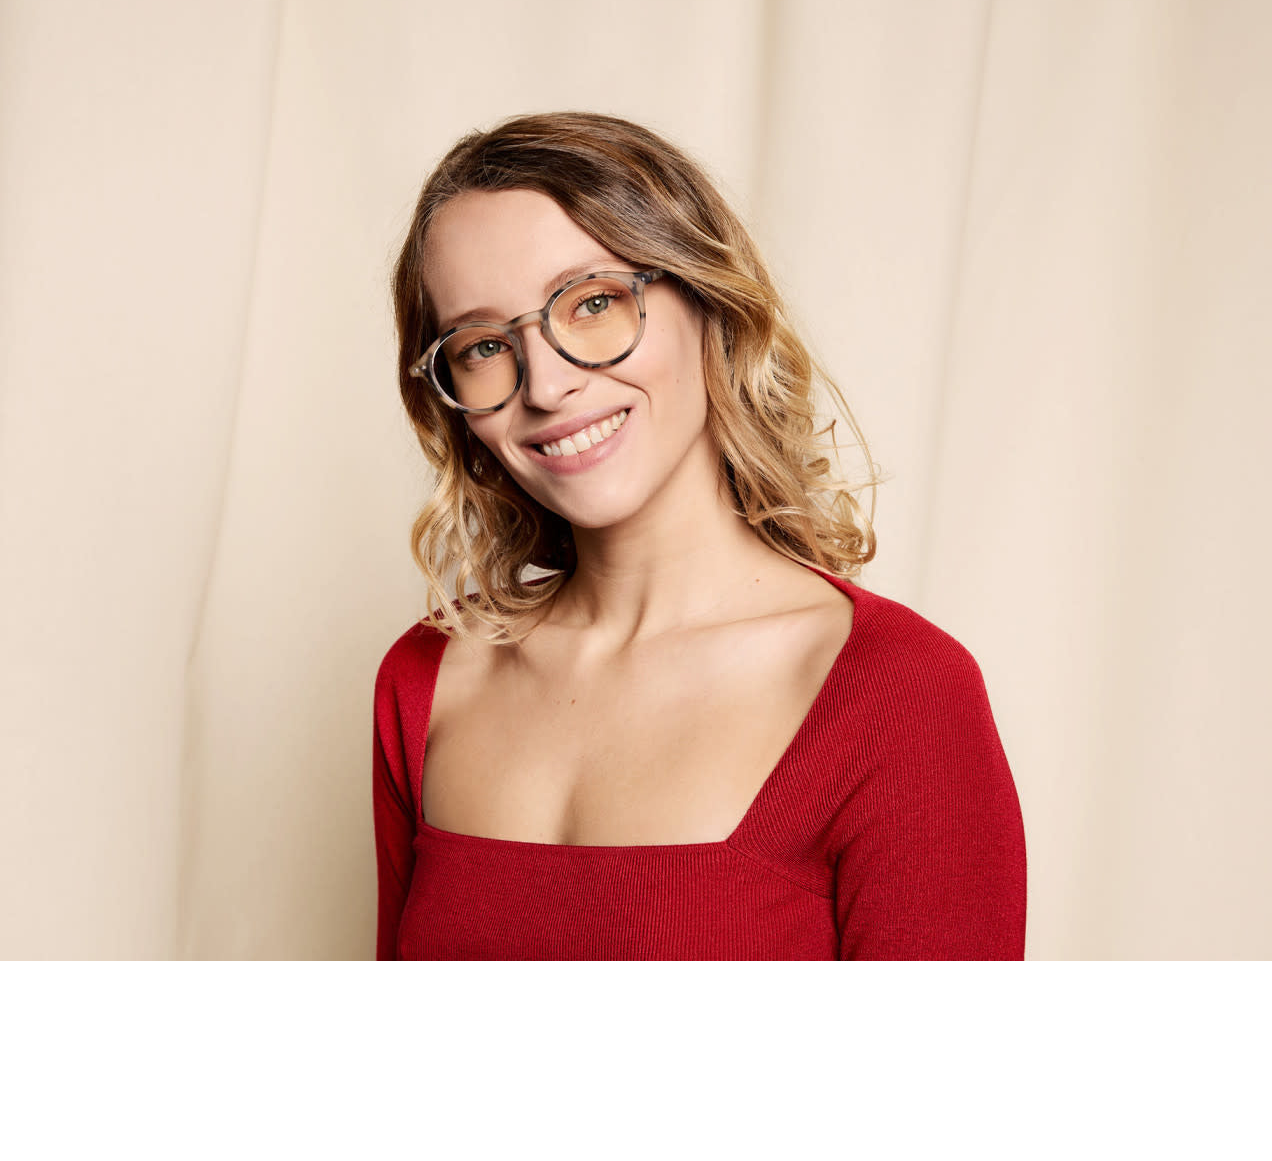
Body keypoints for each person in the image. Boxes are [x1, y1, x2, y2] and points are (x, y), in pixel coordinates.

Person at [373, 111, 1026, 960]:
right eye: (483, 345)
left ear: (708, 300)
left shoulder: (896, 694)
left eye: (593, 302)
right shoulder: (428, 681)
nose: (546, 385)